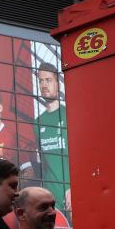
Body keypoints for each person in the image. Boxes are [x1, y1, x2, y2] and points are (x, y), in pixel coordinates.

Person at [34, 63, 70, 217]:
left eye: (48, 80)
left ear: (58, 84)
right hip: (50, 197)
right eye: (41, 81)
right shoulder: (37, 123)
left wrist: (74, 187)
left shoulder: (69, 113)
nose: (44, 85)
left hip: (72, 193)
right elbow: (43, 162)